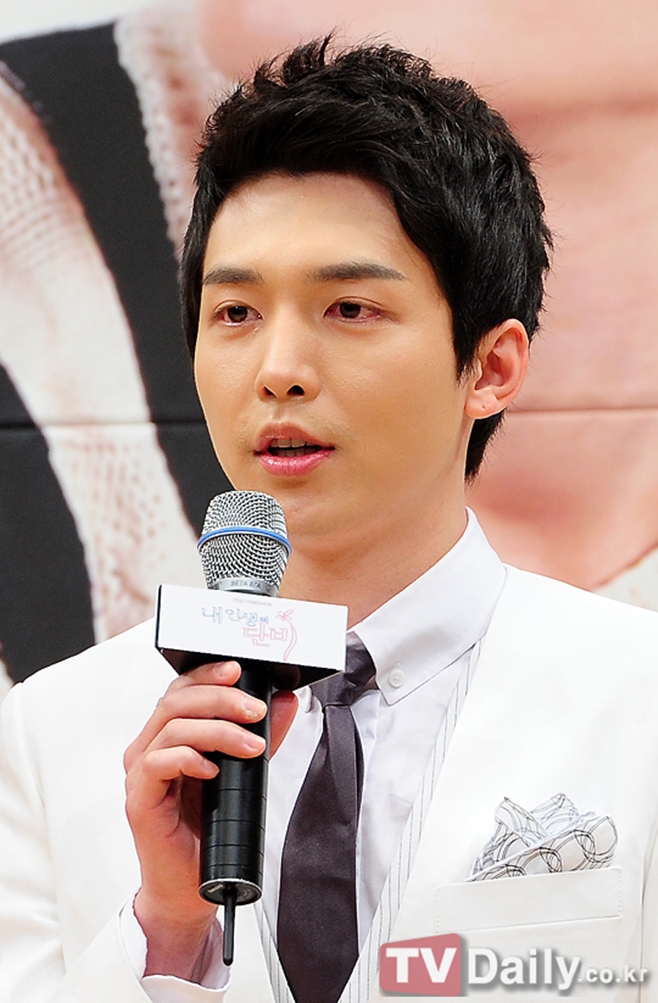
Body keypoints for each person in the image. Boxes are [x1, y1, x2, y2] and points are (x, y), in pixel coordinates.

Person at [1, 38, 658, 1003]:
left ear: (490, 367)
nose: (278, 370)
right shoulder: (52, 730)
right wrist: (169, 932)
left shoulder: (637, 697)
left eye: (348, 307)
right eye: (235, 314)